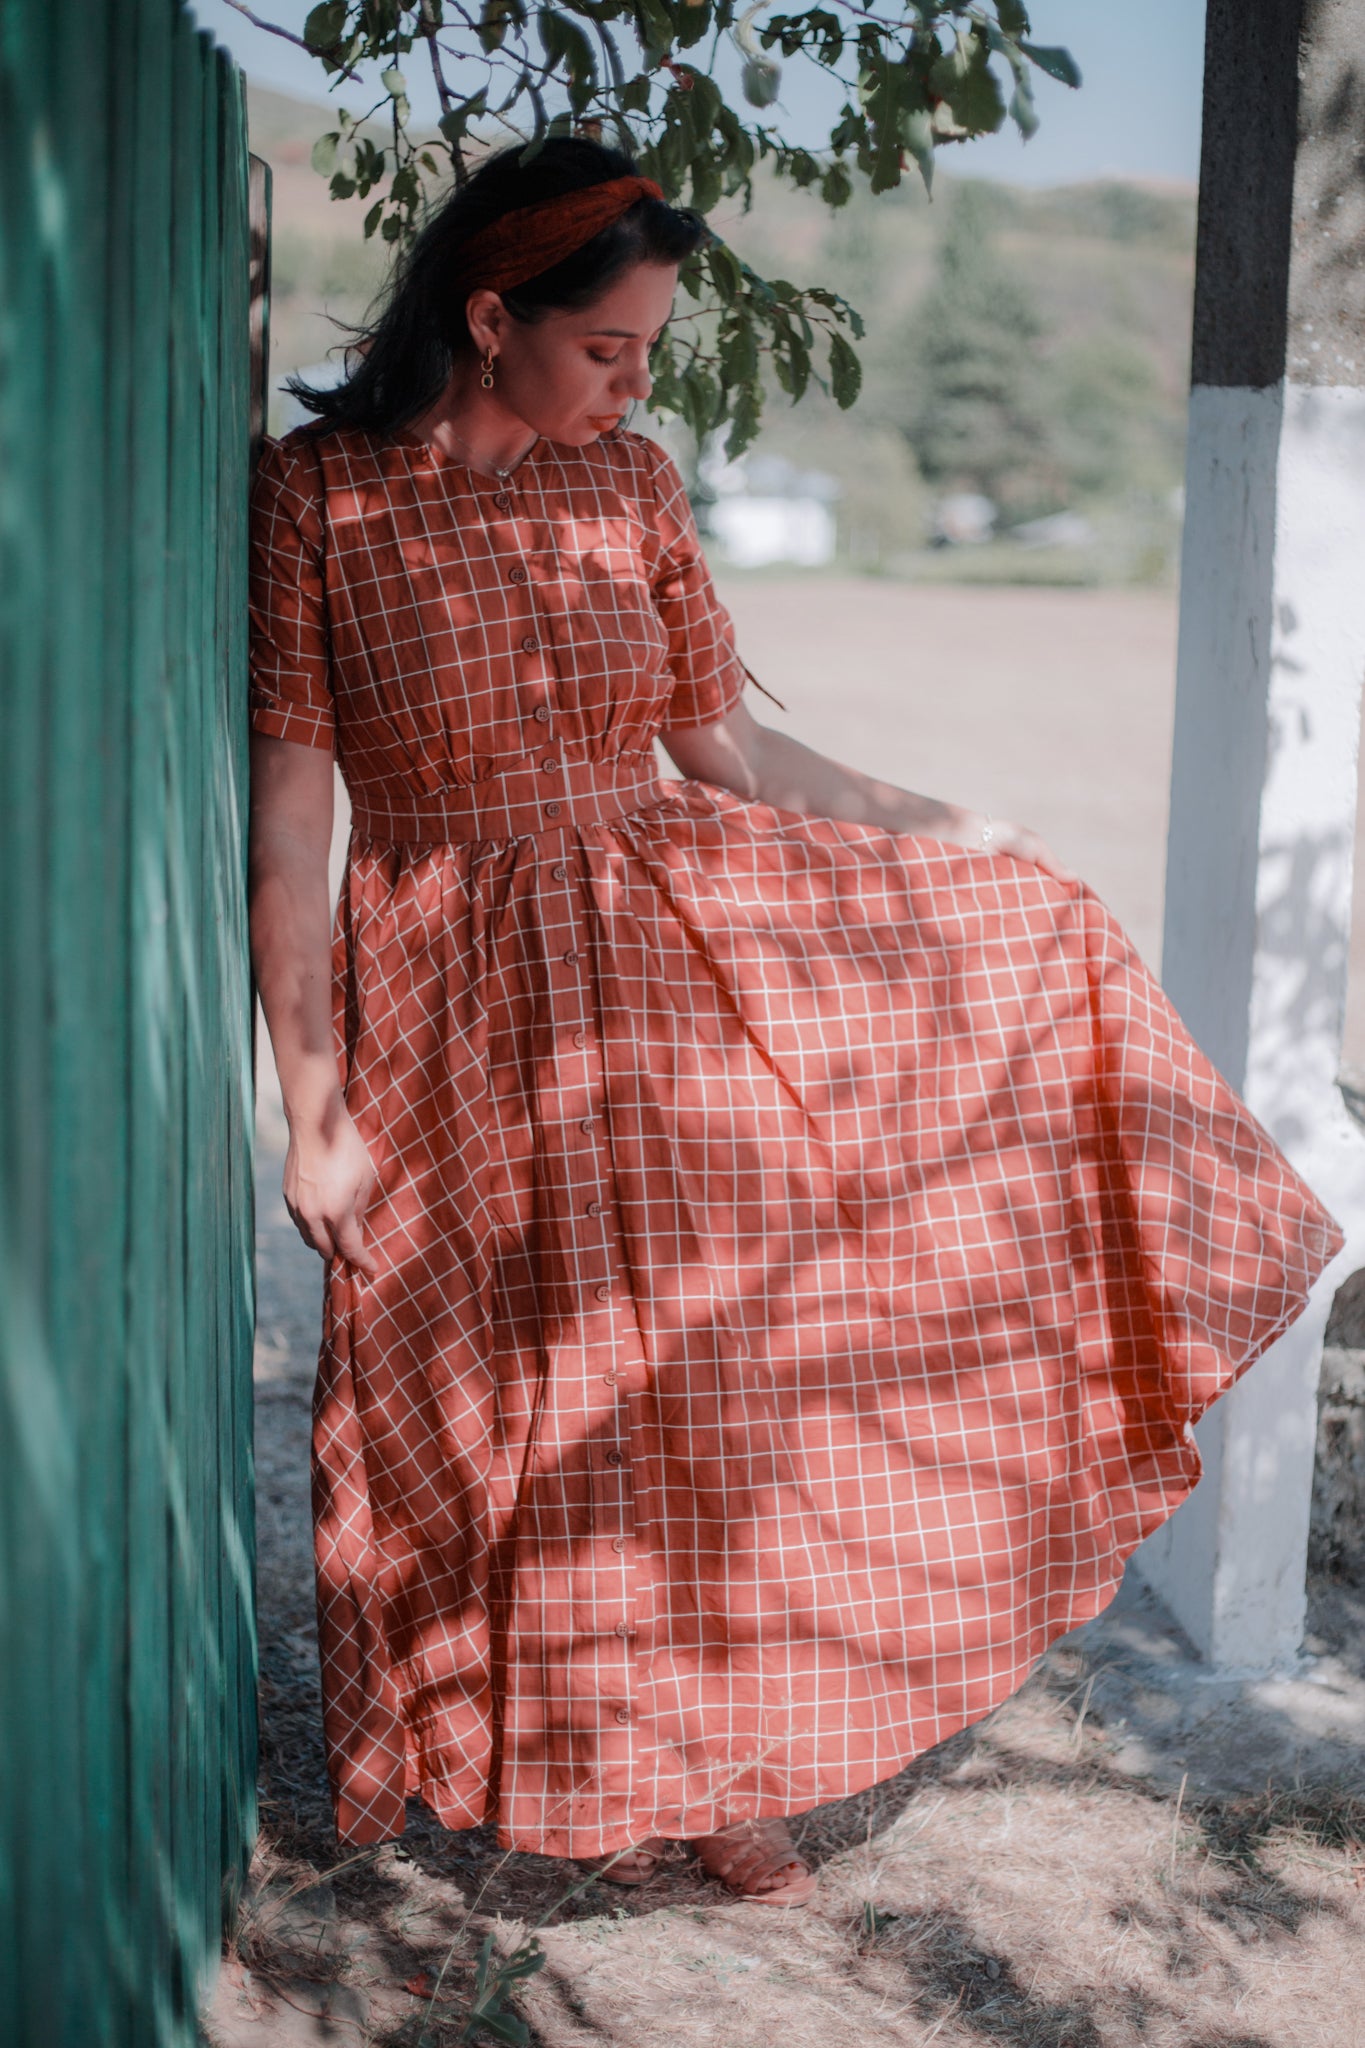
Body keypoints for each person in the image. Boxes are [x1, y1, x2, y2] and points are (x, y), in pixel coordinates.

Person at [247, 138, 1345, 1907]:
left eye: (650, 350)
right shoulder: (319, 497)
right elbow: (293, 819)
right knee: (499, 1384)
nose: (636, 381)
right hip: (450, 989)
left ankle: (721, 1762)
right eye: (606, 346)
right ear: (485, 316)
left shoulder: (635, 489)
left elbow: (729, 757)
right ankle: (529, 1741)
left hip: (672, 955)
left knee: (699, 1375)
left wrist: (949, 836)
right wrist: (309, 1096)